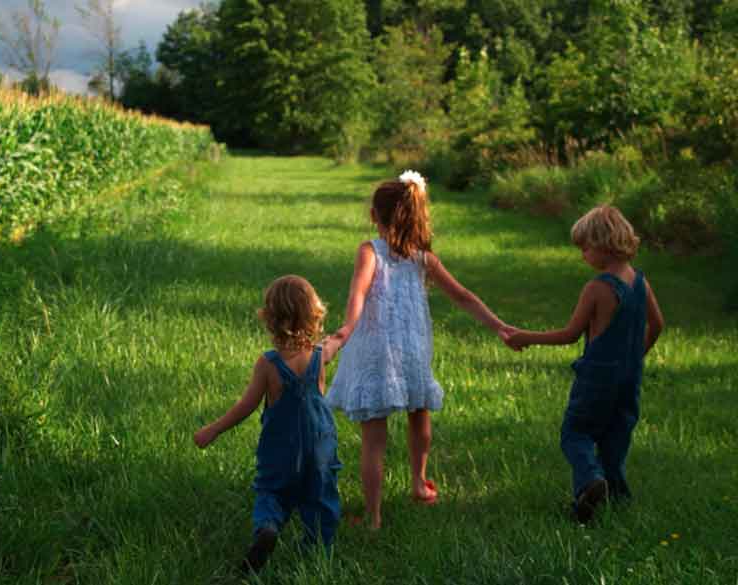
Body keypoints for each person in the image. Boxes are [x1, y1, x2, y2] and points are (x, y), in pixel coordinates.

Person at [323, 170, 511, 530]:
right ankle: (418, 484)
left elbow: (358, 294)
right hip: (412, 350)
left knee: (374, 439)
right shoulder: (424, 258)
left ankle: (374, 518)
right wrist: (499, 326)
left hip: (376, 350)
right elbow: (463, 296)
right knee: (419, 413)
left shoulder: (369, 251)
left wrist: (346, 328)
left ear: (374, 216)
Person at [502, 204, 664, 523]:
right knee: (615, 438)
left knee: (575, 433)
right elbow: (657, 325)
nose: (582, 256)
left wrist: (525, 336)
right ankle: (617, 499)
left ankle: (589, 484)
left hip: (597, 378)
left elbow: (569, 335)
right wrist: (634, 358)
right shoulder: (640, 282)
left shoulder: (597, 288)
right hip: (629, 378)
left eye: (584, 248)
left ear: (603, 244)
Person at [194, 275, 342, 572]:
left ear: (271, 318)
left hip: (281, 447)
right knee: (320, 495)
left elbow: (246, 406)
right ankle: (317, 551)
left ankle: (268, 527)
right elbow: (337, 340)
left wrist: (213, 429)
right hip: (320, 447)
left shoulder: (269, 364)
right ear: (314, 314)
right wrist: (353, 322)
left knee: (271, 492)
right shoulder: (318, 355)